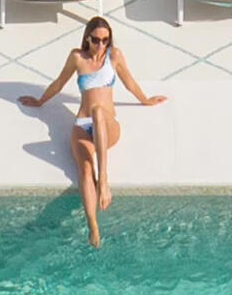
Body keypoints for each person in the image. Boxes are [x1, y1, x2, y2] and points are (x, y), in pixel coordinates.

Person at [19, 18, 164, 245]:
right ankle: (92, 226)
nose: (100, 45)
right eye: (96, 40)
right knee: (85, 170)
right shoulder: (77, 57)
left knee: (97, 110)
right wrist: (39, 101)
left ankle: (103, 180)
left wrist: (145, 99)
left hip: (107, 125)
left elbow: (129, 82)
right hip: (83, 124)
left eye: (105, 40)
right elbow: (59, 82)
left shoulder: (114, 56)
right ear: (87, 37)